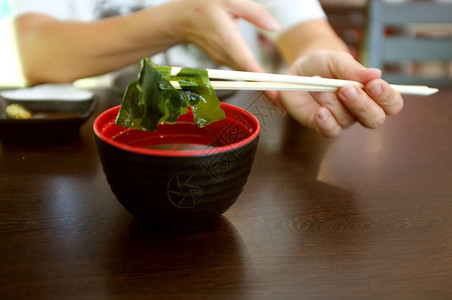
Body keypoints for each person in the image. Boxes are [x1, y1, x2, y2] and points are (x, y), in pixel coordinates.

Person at [12, 0, 403, 137]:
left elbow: (310, 34)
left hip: (233, 138)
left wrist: (318, 71)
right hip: (111, 138)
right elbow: (38, 55)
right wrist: (177, 21)